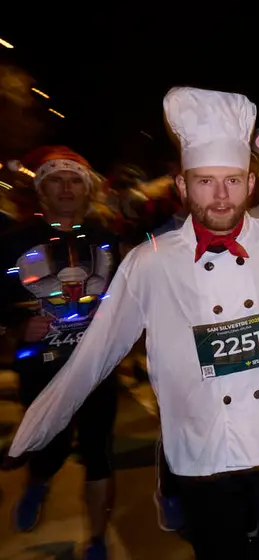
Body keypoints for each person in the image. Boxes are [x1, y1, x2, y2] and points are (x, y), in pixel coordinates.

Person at [5, 87, 259, 559]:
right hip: (202, 449)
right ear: (182, 187)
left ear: (251, 186)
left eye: (232, 181)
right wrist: (40, 424)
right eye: (205, 182)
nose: (219, 196)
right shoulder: (149, 264)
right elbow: (99, 349)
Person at [0, 146, 119, 560]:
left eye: (75, 180)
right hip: (42, 368)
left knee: (99, 453)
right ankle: (38, 481)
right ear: (42, 189)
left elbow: (131, 296)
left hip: (98, 369)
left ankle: (98, 539)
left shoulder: (107, 240)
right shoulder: (13, 243)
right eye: (57, 180)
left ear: (87, 190)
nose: (67, 188)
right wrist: (17, 329)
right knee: (47, 447)